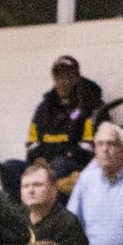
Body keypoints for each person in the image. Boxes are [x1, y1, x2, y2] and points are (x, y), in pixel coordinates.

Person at [24, 55, 103, 188]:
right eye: (58, 77)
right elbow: (32, 141)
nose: (62, 81)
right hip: (44, 164)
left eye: (67, 76)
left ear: (77, 78)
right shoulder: (43, 107)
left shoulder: (91, 106)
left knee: (58, 165)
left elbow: (89, 146)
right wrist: (38, 158)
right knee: (10, 167)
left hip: (74, 164)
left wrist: (62, 157)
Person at [19, 160, 93, 245]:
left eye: (37, 185)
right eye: (25, 186)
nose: (31, 190)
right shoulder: (17, 218)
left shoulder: (68, 223)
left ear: (54, 190)